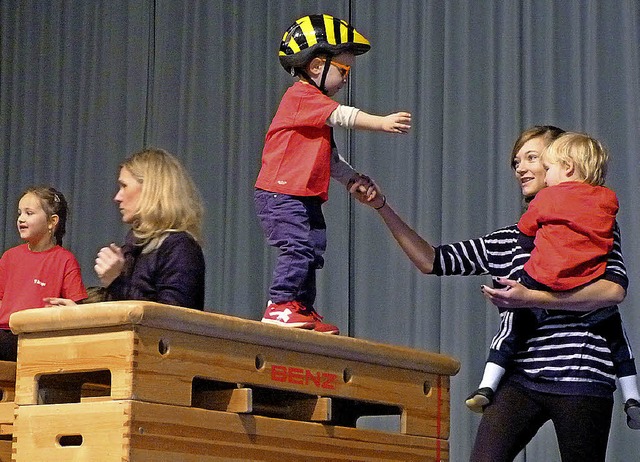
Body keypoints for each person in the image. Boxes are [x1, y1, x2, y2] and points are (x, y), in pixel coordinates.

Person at [352, 125, 631, 461]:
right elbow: (432, 260)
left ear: (563, 164)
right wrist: (382, 206)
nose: (521, 168)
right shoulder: (506, 241)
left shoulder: (594, 225)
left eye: (532, 158)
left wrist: (533, 298)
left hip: (582, 374)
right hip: (522, 377)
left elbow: (613, 291)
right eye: (516, 162)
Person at [465, 132, 640, 430]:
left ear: (567, 167)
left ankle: (487, 384)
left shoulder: (547, 199)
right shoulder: (607, 201)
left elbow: (614, 289)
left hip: (549, 290)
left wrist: (529, 290)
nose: (537, 173)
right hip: (586, 287)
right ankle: (632, 397)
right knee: (619, 341)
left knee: (513, 325)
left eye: (545, 165)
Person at [255, 13, 411, 335]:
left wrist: (352, 178)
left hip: (305, 195)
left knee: (312, 249)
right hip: (281, 194)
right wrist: (381, 122)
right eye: (343, 70)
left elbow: (330, 158)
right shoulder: (302, 97)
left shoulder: (313, 109)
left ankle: (300, 307)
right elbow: (343, 116)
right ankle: (279, 305)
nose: (346, 79)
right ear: (315, 67)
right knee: (298, 246)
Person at [47, 148, 206, 310]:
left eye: (124, 186)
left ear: (151, 189)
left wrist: (116, 281)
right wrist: (77, 314)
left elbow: (173, 319)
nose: (117, 197)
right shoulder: (133, 249)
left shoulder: (180, 248)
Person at [0, 186, 87, 360]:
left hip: (38, 338)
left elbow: (77, 310)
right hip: (5, 332)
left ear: (51, 222)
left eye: (29, 213)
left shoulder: (65, 260)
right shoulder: (10, 256)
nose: (21, 219)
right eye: (20, 213)